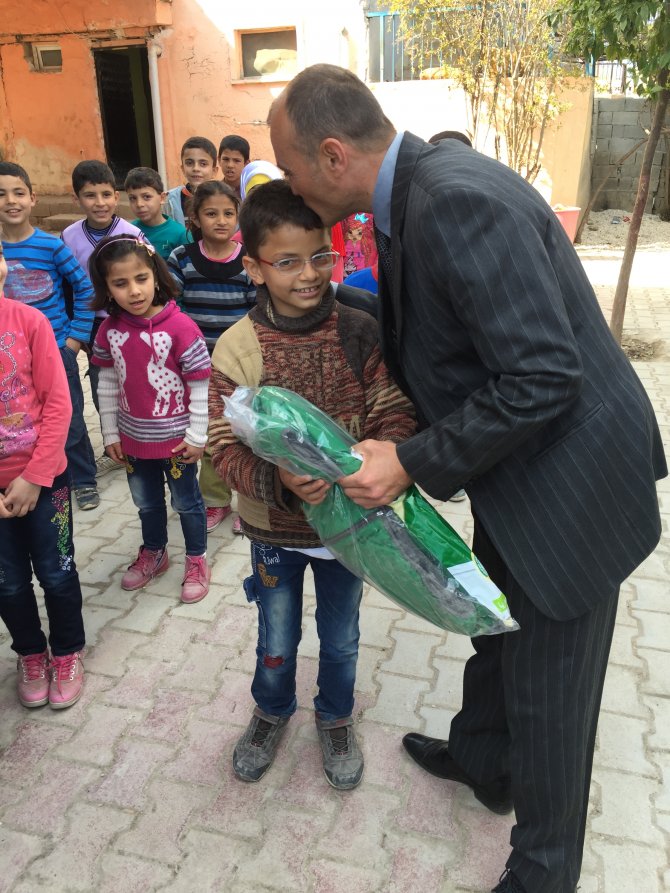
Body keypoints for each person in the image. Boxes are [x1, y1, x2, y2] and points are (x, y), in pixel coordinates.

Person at [269, 64, 667, 893]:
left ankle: (542, 871)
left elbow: (543, 376)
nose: (287, 182)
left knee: (554, 692)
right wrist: (332, 310)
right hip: (522, 471)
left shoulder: (451, 198)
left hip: (572, 487)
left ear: (334, 154)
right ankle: (484, 757)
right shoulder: (411, 189)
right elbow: (442, 322)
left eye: (290, 165)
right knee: (494, 619)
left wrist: (408, 460)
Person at [208, 179, 416, 790]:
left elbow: (392, 409)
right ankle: (271, 710)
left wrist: (383, 455)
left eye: (320, 256)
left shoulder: (360, 329)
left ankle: (335, 716)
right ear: (253, 266)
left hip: (352, 529)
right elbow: (223, 445)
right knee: (276, 633)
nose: (308, 274)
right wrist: (275, 480)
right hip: (274, 530)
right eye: (288, 261)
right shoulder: (239, 346)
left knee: (342, 635)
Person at [89, 236, 212, 604]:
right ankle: (154, 553)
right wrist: (110, 432)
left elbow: (200, 384)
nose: (134, 291)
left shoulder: (181, 327)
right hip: (133, 441)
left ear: (155, 275)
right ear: (107, 287)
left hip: (177, 442)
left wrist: (198, 435)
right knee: (147, 504)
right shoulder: (109, 329)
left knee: (186, 503)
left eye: (141, 278)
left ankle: (196, 559)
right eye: (120, 283)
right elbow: (107, 384)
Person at [0, 232, 86, 710]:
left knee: (56, 571)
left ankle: (68, 650)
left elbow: (59, 404)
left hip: (44, 478)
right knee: (7, 580)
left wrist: (34, 475)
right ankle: (31, 653)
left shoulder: (29, 321)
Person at [0, 161, 100, 512]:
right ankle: (30, 471)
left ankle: (84, 478)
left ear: (32, 199)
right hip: (11, 358)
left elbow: (85, 288)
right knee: (25, 419)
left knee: (69, 417)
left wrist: (74, 339)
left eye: (18, 192)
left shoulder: (51, 246)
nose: (10, 201)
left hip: (56, 348)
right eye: (1, 194)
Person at [167, 180, 256, 535]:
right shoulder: (182, 258)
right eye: (211, 213)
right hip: (197, 366)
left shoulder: (248, 260)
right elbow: (173, 307)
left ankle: (250, 504)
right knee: (210, 434)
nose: (220, 220)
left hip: (240, 366)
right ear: (195, 217)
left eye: (228, 213)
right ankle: (216, 501)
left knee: (247, 433)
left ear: (238, 217)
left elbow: (256, 312)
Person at [62, 160, 144, 479]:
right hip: (94, 326)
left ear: (116, 195)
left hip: (129, 319)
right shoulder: (69, 237)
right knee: (102, 385)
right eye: (90, 195)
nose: (100, 203)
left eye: (106, 194)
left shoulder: (131, 233)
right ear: (77, 199)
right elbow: (67, 286)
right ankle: (117, 445)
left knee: (136, 381)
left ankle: (141, 442)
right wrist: (78, 331)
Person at [124, 166, 190, 259]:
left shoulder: (179, 234)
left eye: (146, 197)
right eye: (133, 198)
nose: (139, 204)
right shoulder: (129, 232)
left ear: (162, 198)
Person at [166, 136, 219, 227]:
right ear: (182, 168)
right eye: (189, 163)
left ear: (214, 170)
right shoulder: (169, 200)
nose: (196, 168)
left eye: (203, 164)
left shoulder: (223, 198)